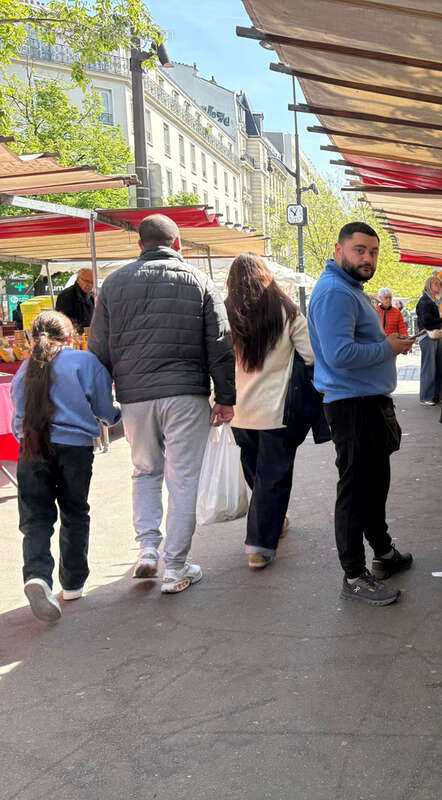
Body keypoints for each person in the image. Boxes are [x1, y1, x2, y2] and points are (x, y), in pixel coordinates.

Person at [89, 214, 235, 594]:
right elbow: (220, 344)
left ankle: (148, 549)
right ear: (178, 245)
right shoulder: (199, 281)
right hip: (187, 393)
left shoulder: (114, 284)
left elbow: (98, 350)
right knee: (183, 479)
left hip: (135, 397)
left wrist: (103, 403)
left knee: (144, 471)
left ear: (139, 245)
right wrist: (226, 398)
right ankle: (175, 567)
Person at [307, 221, 414, 607]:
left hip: (366, 404)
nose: (367, 258)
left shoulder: (350, 289)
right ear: (339, 250)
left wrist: (388, 346)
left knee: (373, 484)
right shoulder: (336, 292)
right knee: (355, 491)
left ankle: (383, 552)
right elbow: (340, 355)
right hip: (352, 407)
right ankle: (353, 574)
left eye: (372, 252)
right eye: (359, 250)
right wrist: (390, 347)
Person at [14, 311, 121, 622]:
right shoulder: (84, 362)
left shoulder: (24, 370)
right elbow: (104, 409)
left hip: (31, 447)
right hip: (74, 448)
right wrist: (118, 415)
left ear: (33, 338)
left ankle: (37, 576)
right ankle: (73, 583)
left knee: (35, 518)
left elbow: (16, 419)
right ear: (70, 337)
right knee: (74, 511)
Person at [226, 252, 320, 570]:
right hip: (277, 411)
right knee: (273, 477)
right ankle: (260, 545)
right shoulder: (287, 311)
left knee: (257, 472)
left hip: (238, 412)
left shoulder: (224, 314)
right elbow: (311, 357)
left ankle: (272, 523)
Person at [416, 274, 442, 406]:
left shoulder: (432, 301)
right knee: (429, 368)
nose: (439, 286)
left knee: (437, 366)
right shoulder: (425, 301)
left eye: (440, 284)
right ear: (429, 286)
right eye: (436, 283)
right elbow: (427, 322)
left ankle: (435, 395)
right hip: (427, 336)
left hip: (434, 337)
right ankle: (426, 397)